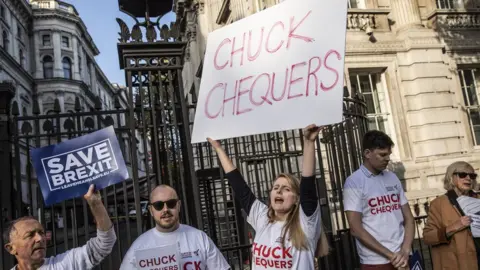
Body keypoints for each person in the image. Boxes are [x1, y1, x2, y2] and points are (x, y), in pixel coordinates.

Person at [208, 124, 323, 269]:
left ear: (297, 199)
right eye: (275, 187)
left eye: (286, 188)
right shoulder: (262, 218)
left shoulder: (306, 223)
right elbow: (240, 187)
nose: (279, 191)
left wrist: (309, 143)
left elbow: (308, 187)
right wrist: (218, 148)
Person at [343, 130, 414, 270]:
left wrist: (405, 250)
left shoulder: (392, 177)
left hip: (403, 256)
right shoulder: (354, 182)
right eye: (382, 154)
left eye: (388, 154)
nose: (387, 158)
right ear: (367, 153)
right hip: (376, 261)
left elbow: (409, 219)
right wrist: (391, 255)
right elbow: (356, 228)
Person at [3, 184, 117, 270]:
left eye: (41, 232)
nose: (40, 239)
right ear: (11, 248)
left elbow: (104, 244)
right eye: (29, 235)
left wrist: (95, 203)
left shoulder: (65, 264)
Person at [120, 184, 230, 270]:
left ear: (179, 205)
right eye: (159, 205)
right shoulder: (139, 247)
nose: (165, 210)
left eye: (171, 203)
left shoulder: (200, 238)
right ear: (151, 210)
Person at [423, 161, 480, 270]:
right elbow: (428, 237)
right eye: (463, 175)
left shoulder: (478, 199)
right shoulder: (439, 203)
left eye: (472, 175)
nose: (468, 178)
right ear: (451, 177)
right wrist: (455, 226)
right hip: (457, 264)